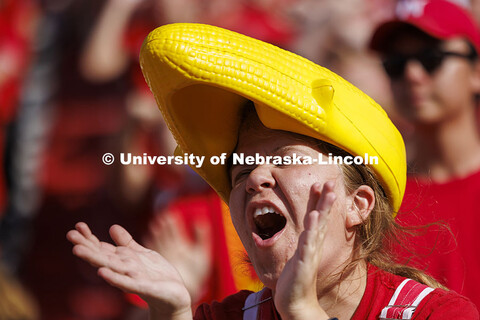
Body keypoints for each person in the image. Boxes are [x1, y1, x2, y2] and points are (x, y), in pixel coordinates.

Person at [67, 23, 478, 319]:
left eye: (285, 158)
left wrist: (302, 311)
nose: (256, 177)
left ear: (359, 204)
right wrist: (172, 311)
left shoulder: (438, 314)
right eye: (241, 168)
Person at [370, 0, 480, 308]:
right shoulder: (377, 201)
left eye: (431, 58)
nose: (412, 74)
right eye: (395, 63)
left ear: (476, 71)